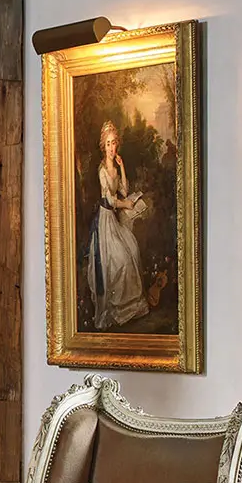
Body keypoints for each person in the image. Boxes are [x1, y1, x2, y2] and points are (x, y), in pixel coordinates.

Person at [87, 120, 149, 329]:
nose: (112, 148)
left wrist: (122, 168)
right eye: (108, 144)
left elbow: (123, 189)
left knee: (132, 250)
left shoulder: (115, 165)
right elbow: (111, 200)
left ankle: (130, 307)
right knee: (120, 259)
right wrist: (127, 204)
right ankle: (116, 308)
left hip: (114, 218)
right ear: (103, 146)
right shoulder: (102, 170)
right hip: (105, 220)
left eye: (114, 143)